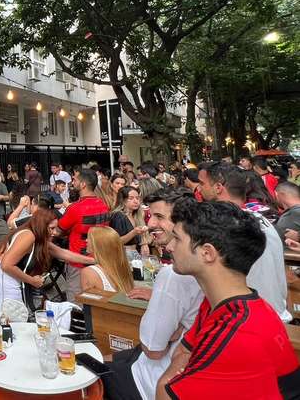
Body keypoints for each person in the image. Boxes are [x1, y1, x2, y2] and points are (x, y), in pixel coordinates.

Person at [155, 200, 299, 400]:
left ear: (207, 253)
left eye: (177, 239)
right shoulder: (226, 303)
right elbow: (181, 352)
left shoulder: (237, 331)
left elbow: (165, 392)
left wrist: (166, 379)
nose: (169, 246)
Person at [102, 189, 204, 400]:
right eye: (151, 216)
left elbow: (153, 349)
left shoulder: (175, 273)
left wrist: (172, 329)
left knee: (88, 375)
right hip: (181, 376)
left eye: (159, 217)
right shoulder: (212, 264)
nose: (151, 224)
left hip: (150, 382)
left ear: (183, 222)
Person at [198, 161, 291, 322]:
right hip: (273, 315)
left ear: (218, 187)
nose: (199, 189)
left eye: (202, 183)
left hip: (251, 321)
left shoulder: (226, 225)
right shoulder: (259, 219)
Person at [0, 208, 93, 307]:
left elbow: (63, 253)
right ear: (41, 225)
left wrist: (94, 260)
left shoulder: (37, 237)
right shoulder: (29, 235)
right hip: (2, 282)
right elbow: (6, 265)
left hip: (6, 280)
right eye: (51, 228)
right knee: (12, 320)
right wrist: (32, 281)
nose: (54, 233)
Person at [57, 168, 110, 300]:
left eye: (74, 179)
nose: (71, 182)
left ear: (83, 184)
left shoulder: (75, 208)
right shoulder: (104, 205)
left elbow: (58, 231)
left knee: (76, 302)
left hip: (77, 262)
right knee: (95, 299)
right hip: (99, 260)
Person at [80, 226, 134, 293]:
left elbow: (89, 302)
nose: (86, 240)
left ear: (99, 244)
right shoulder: (123, 266)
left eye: (89, 238)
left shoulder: (89, 272)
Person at [109, 186, 150, 255]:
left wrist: (144, 243)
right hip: (122, 255)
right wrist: (134, 232)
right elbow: (116, 241)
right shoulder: (118, 216)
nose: (136, 201)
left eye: (137, 198)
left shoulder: (136, 215)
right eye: (131, 198)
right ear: (123, 200)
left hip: (136, 254)